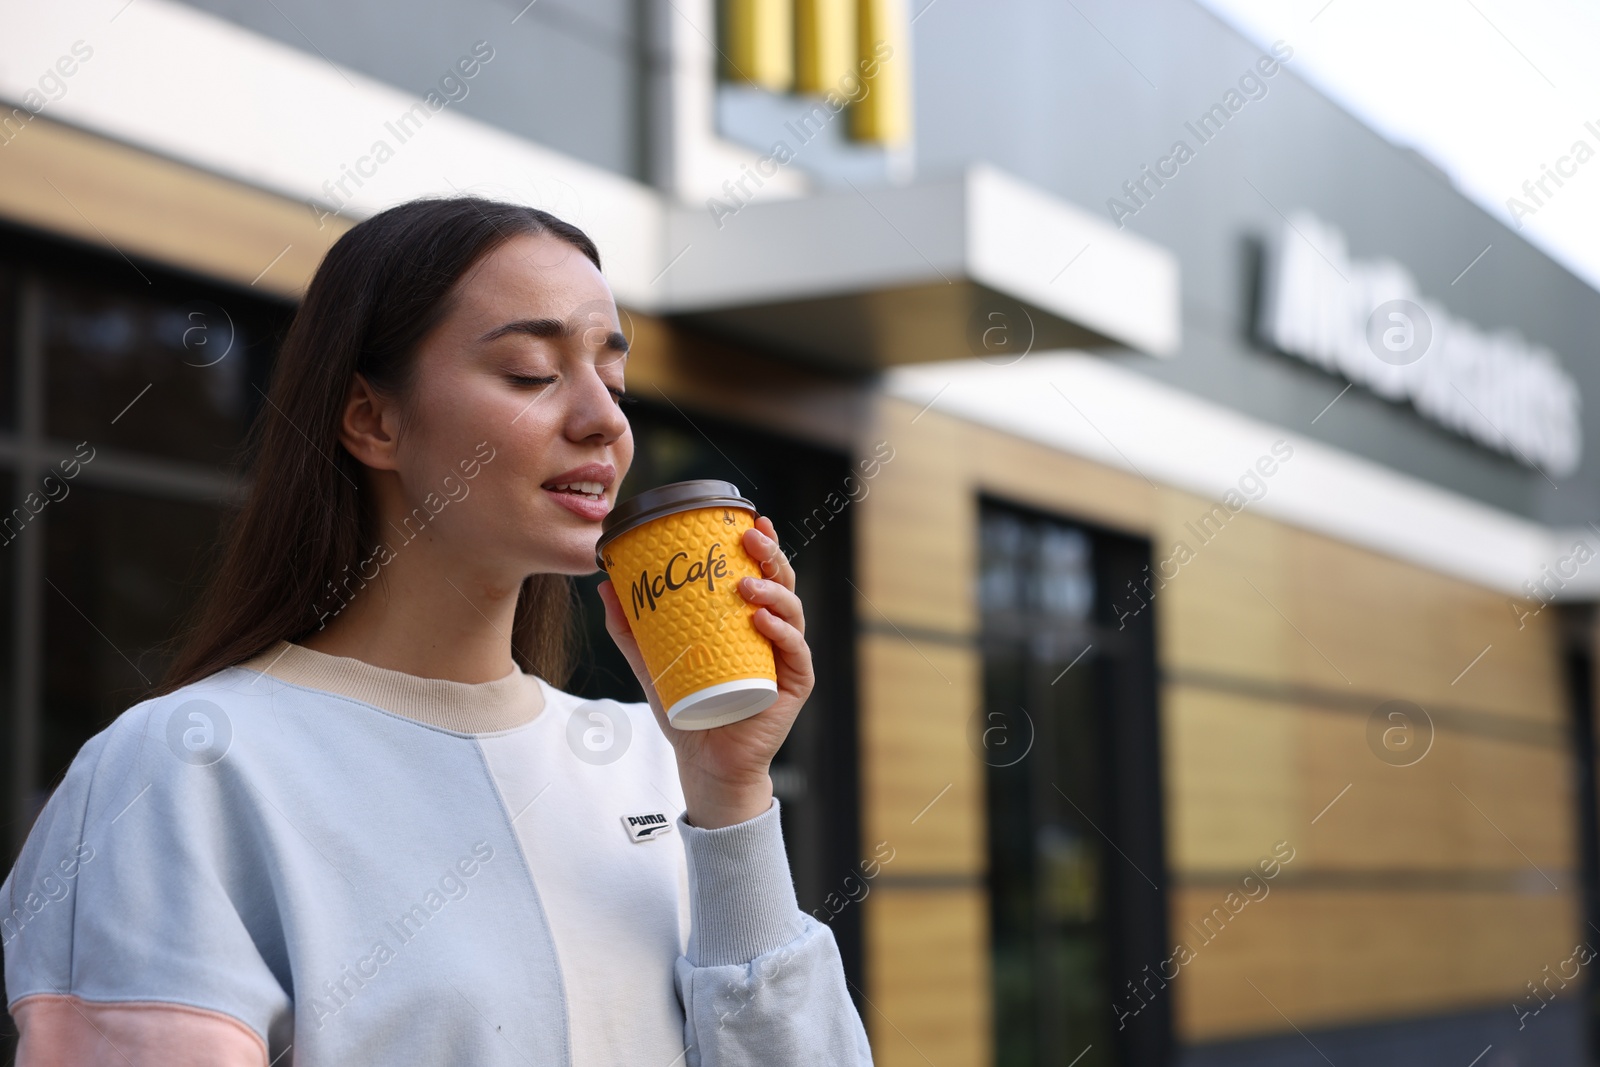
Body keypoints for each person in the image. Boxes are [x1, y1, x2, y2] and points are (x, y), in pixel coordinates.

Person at [0, 197, 875, 1065]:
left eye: (613, 380)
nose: (606, 421)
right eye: (534, 370)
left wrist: (730, 799)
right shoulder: (183, 769)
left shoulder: (653, 759)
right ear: (371, 418)